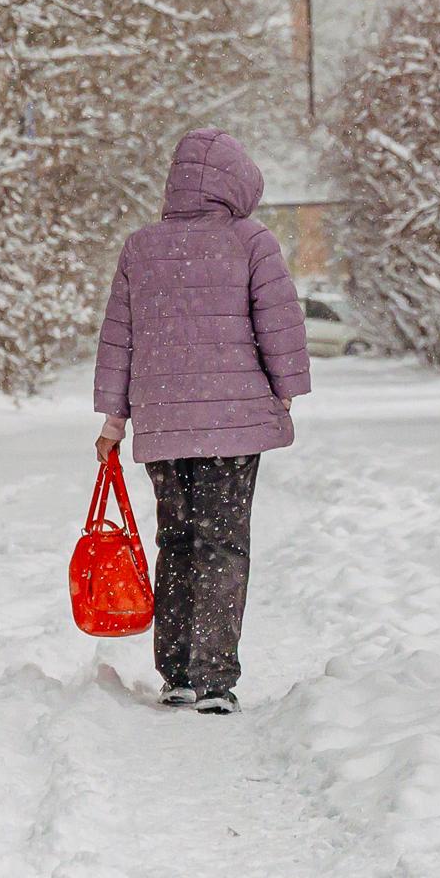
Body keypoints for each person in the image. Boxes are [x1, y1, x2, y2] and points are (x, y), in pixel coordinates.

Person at [92, 129, 311, 715]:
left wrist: (114, 422)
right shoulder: (251, 241)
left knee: (177, 540)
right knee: (223, 543)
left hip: (164, 429)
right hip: (235, 426)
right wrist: (287, 392)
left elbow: (120, 338)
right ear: (237, 183)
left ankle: (178, 672)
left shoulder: (140, 248)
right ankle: (215, 678)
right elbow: (280, 322)